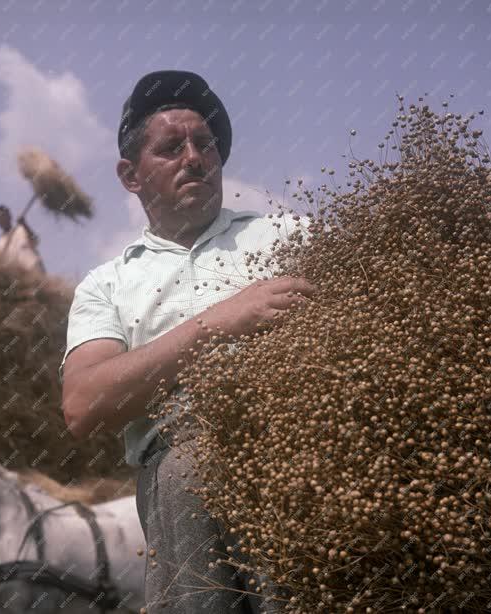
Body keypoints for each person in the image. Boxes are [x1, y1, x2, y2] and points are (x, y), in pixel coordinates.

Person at [60, 70, 316, 613]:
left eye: (205, 144)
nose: (195, 157)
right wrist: (216, 323)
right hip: (183, 477)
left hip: (300, 455)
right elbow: (83, 406)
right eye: (171, 147)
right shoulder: (107, 284)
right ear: (130, 175)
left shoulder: (288, 235)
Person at [0, 204, 46, 273]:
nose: (3, 220)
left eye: (4, 216)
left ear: (9, 216)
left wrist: (24, 224)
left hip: (35, 269)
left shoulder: (22, 229)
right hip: (19, 277)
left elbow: (35, 241)